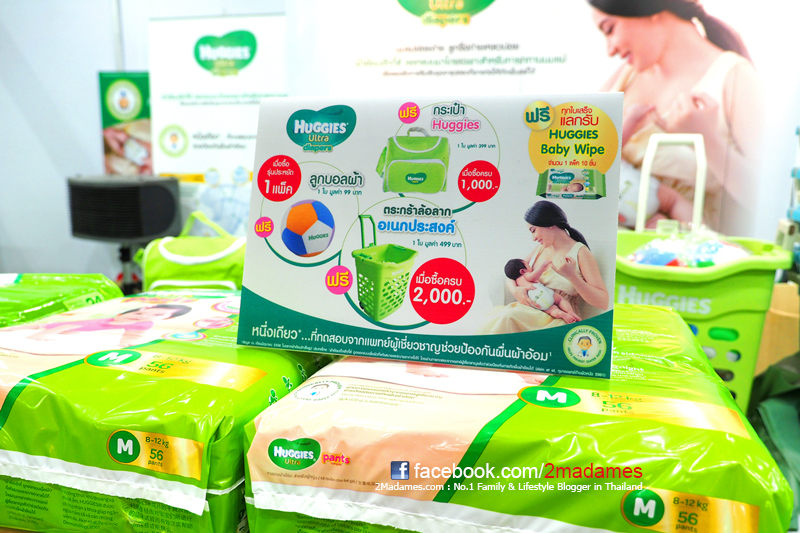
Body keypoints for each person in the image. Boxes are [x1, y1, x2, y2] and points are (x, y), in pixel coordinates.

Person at [589, 0, 761, 234]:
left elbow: (772, 199)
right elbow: (579, 158)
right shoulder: (625, 77)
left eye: (610, 29)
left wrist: (709, 141)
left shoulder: (733, 77)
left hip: (698, 252)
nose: (610, 50)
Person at [480, 201, 609, 334]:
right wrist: (515, 290)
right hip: (532, 309)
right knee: (500, 318)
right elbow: (513, 273)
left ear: (549, 223)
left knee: (508, 318)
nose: (533, 238)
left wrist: (571, 276)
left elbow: (602, 302)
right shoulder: (541, 248)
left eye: (533, 230)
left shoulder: (581, 253)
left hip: (557, 314)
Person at [6, 304, 192, 348]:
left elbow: (130, 338)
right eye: (140, 312)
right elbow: (56, 325)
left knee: (41, 330)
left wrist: (127, 345)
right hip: (60, 329)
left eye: (159, 315)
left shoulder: (142, 324)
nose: (142, 316)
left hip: (68, 333)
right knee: (31, 327)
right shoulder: (118, 316)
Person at [504, 258, 580, 323]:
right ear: (522, 271)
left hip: (535, 301)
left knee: (551, 310)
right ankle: (570, 312)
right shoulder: (525, 275)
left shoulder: (517, 283)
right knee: (560, 300)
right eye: (528, 266)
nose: (530, 267)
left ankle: (560, 314)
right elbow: (532, 277)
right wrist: (542, 266)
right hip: (542, 292)